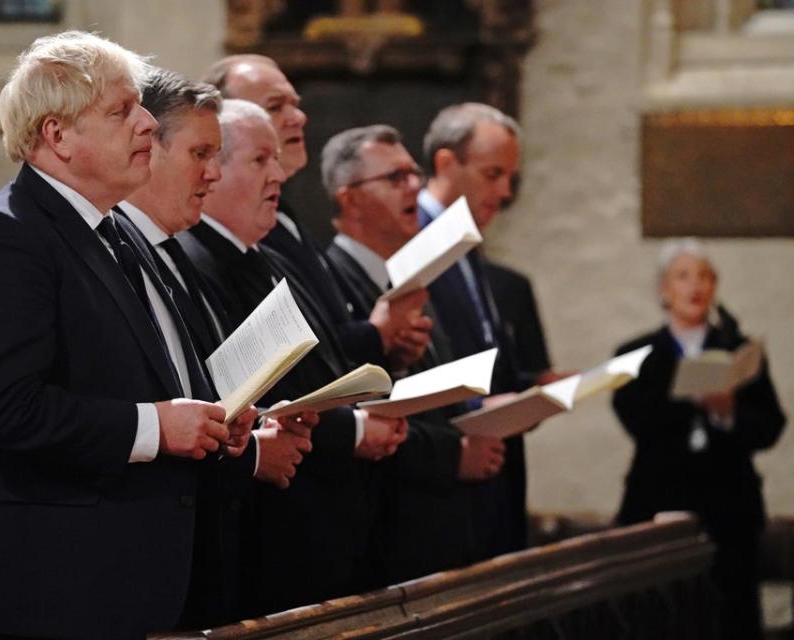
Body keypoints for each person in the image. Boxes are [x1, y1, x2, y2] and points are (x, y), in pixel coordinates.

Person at [0, 32, 255, 639]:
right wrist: (159, 427)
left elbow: (151, 376)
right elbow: (5, 410)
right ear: (57, 136)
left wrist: (215, 420)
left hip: (132, 586)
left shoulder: (118, 230)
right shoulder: (0, 237)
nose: (144, 125)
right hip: (46, 596)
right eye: (121, 111)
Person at [179, 99, 407, 615]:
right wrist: (349, 430)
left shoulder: (271, 256)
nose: (278, 175)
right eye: (261, 160)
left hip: (321, 523)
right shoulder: (197, 262)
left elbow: (313, 367)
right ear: (213, 170)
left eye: (277, 160)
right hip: (268, 532)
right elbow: (236, 391)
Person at [115, 67, 315, 627]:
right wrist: (249, 451)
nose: (212, 173)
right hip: (138, 559)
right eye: (201, 153)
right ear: (148, 147)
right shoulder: (123, 250)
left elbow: (192, 388)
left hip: (196, 549)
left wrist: (246, 423)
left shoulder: (166, 249)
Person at [320, 123, 507, 583]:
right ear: (350, 199)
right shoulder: (329, 281)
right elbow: (350, 407)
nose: (415, 185)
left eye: (414, 173)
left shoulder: (407, 279)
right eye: (395, 177)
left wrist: (478, 416)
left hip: (434, 527)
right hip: (381, 538)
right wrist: (452, 453)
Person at [203, 54, 431, 371]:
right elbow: (282, 362)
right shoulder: (237, 227)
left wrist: (388, 349)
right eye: (275, 106)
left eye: (295, 103)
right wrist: (375, 335)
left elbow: (323, 336)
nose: (298, 116)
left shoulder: (283, 215)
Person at [612, 239, 785, 640]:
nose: (696, 286)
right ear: (664, 290)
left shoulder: (737, 349)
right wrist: (686, 397)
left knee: (732, 617)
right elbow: (635, 419)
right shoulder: (638, 355)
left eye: (705, 276)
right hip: (659, 502)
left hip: (729, 511)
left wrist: (727, 412)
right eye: (684, 275)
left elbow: (771, 424)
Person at [418, 102, 550, 557]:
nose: (504, 190)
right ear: (445, 162)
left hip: (493, 472)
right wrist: (478, 405)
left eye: (510, 177)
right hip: (445, 474)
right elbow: (409, 362)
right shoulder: (413, 237)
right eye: (492, 173)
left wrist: (532, 394)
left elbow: (480, 346)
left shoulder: (464, 237)